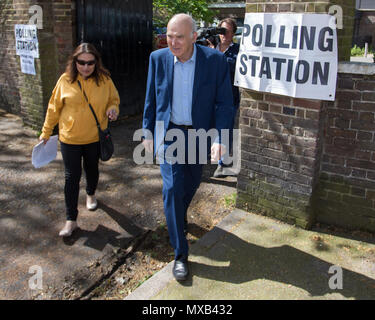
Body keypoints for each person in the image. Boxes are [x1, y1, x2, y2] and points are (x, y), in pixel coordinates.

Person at [142, 14, 234, 281]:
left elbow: (224, 103)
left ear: (194, 36)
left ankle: (176, 217)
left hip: (198, 135)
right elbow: (151, 97)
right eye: (170, 36)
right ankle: (180, 253)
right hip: (169, 133)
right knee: (171, 188)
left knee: (191, 183)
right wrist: (147, 131)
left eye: (179, 36)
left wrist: (221, 138)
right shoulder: (157, 59)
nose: (173, 42)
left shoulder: (214, 61)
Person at [39, 43, 120, 237]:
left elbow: (114, 100)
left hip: (94, 138)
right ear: (74, 62)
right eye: (81, 62)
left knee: (92, 169)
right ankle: (71, 220)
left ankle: (90, 194)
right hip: (70, 139)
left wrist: (113, 110)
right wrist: (46, 132)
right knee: (71, 177)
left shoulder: (104, 80)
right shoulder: (65, 80)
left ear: (96, 62)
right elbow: (53, 108)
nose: (86, 67)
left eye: (90, 63)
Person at [209, 18, 240, 178]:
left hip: (229, 97)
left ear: (233, 33)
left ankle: (222, 164)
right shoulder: (212, 49)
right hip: (210, 97)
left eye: (227, 31)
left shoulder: (238, 50)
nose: (224, 35)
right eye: (221, 31)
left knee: (224, 129)